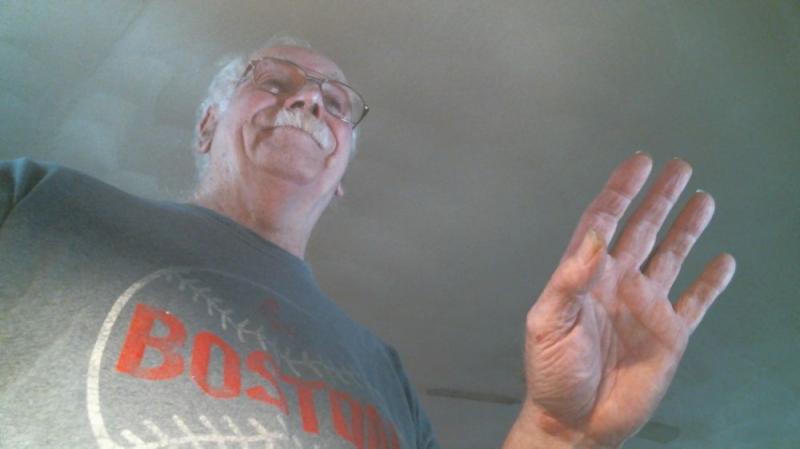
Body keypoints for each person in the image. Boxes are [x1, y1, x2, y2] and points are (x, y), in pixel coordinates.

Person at [0, 37, 736, 449]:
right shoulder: (40, 197)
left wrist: (558, 431)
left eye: (335, 103)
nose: (307, 99)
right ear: (206, 125)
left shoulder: (385, 373)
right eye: (273, 81)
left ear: (342, 174)